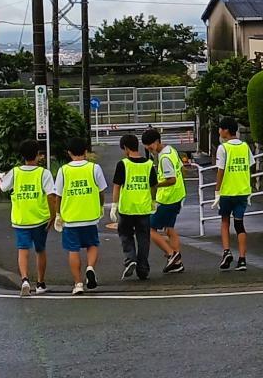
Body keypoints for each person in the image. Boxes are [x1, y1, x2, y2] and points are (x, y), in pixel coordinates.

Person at [49, 134, 105, 294]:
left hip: (70, 218)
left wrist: (58, 214)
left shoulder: (64, 171)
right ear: (85, 151)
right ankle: (90, 267)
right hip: (90, 216)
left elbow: (57, 196)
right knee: (92, 245)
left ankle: (78, 284)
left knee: (73, 250)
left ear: (69, 152)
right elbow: (101, 191)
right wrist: (100, 206)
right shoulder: (95, 168)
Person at [0, 138, 52, 293]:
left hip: (21, 219)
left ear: (22, 156)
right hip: (40, 218)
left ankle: (25, 280)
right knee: (40, 250)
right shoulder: (44, 173)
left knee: (23, 250)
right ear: (38, 155)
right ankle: (40, 283)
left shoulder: (15, 172)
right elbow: (51, 195)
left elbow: (3, 187)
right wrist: (54, 216)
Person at [109, 131, 155, 281]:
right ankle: (143, 269)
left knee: (125, 234)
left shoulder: (123, 164)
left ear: (127, 148)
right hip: (143, 208)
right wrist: (153, 202)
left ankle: (130, 259)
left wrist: (114, 205)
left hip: (127, 208)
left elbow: (117, 186)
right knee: (144, 238)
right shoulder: (149, 164)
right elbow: (153, 186)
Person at [145, 126, 187, 274]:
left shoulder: (164, 157)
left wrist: (155, 184)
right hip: (178, 195)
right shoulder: (171, 150)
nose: (149, 148)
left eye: (150, 145)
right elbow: (182, 170)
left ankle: (172, 254)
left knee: (149, 228)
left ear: (157, 141)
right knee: (169, 229)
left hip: (168, 198)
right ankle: (178, 262)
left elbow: (171, 180)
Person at [214, 117, 254, 272]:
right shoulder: (245, 146)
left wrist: (217, 190)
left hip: (227, 192)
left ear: (225, 130)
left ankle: (226, 252)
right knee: (239, 224)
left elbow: (220, 170)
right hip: (243, 191)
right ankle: (242, 259)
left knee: (225, 221)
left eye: (220, 128)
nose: (219, 131)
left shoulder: (223, 148)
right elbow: (250, 166)